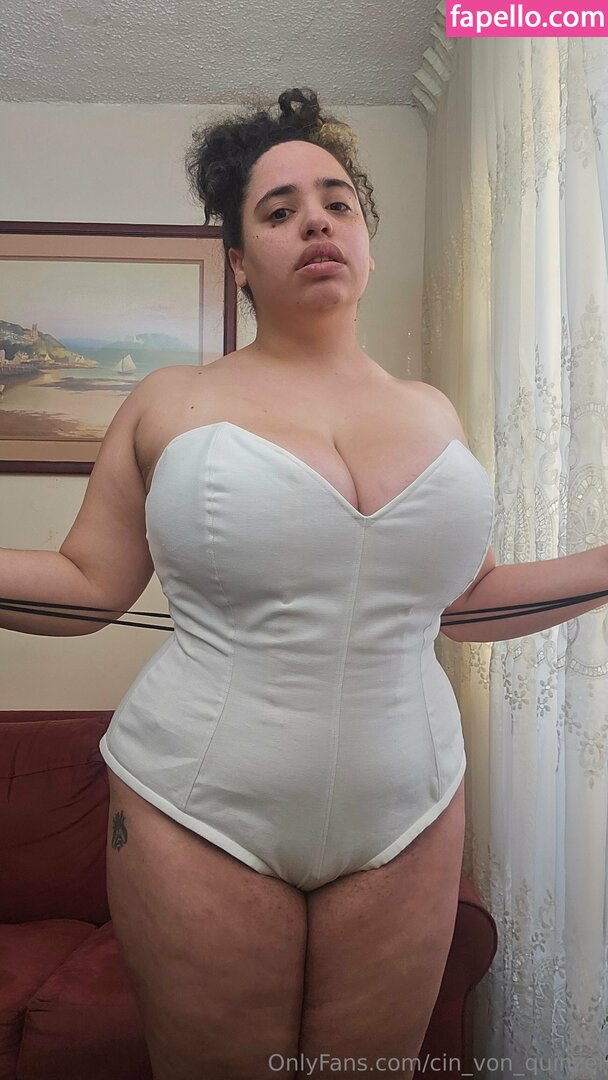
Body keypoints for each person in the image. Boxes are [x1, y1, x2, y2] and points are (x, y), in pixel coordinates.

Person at [0, 88, 496, 1079]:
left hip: (410, 802)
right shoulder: (170, 400)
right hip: (196, 802)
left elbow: (469, 602)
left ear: (365, 241)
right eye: (278, 210)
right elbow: (88, 584)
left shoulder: (435, 411)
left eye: (337, 201)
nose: (315, 220)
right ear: (237, 260)